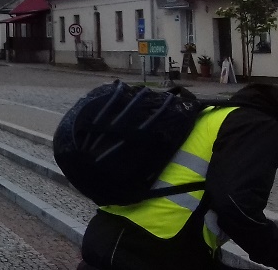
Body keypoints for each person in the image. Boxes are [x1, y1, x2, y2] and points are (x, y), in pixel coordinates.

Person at [78, 83, 278, 270]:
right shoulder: (256, 126)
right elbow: (236, 207)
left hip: (111, 236)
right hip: (154, 250)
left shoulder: (215, 114)